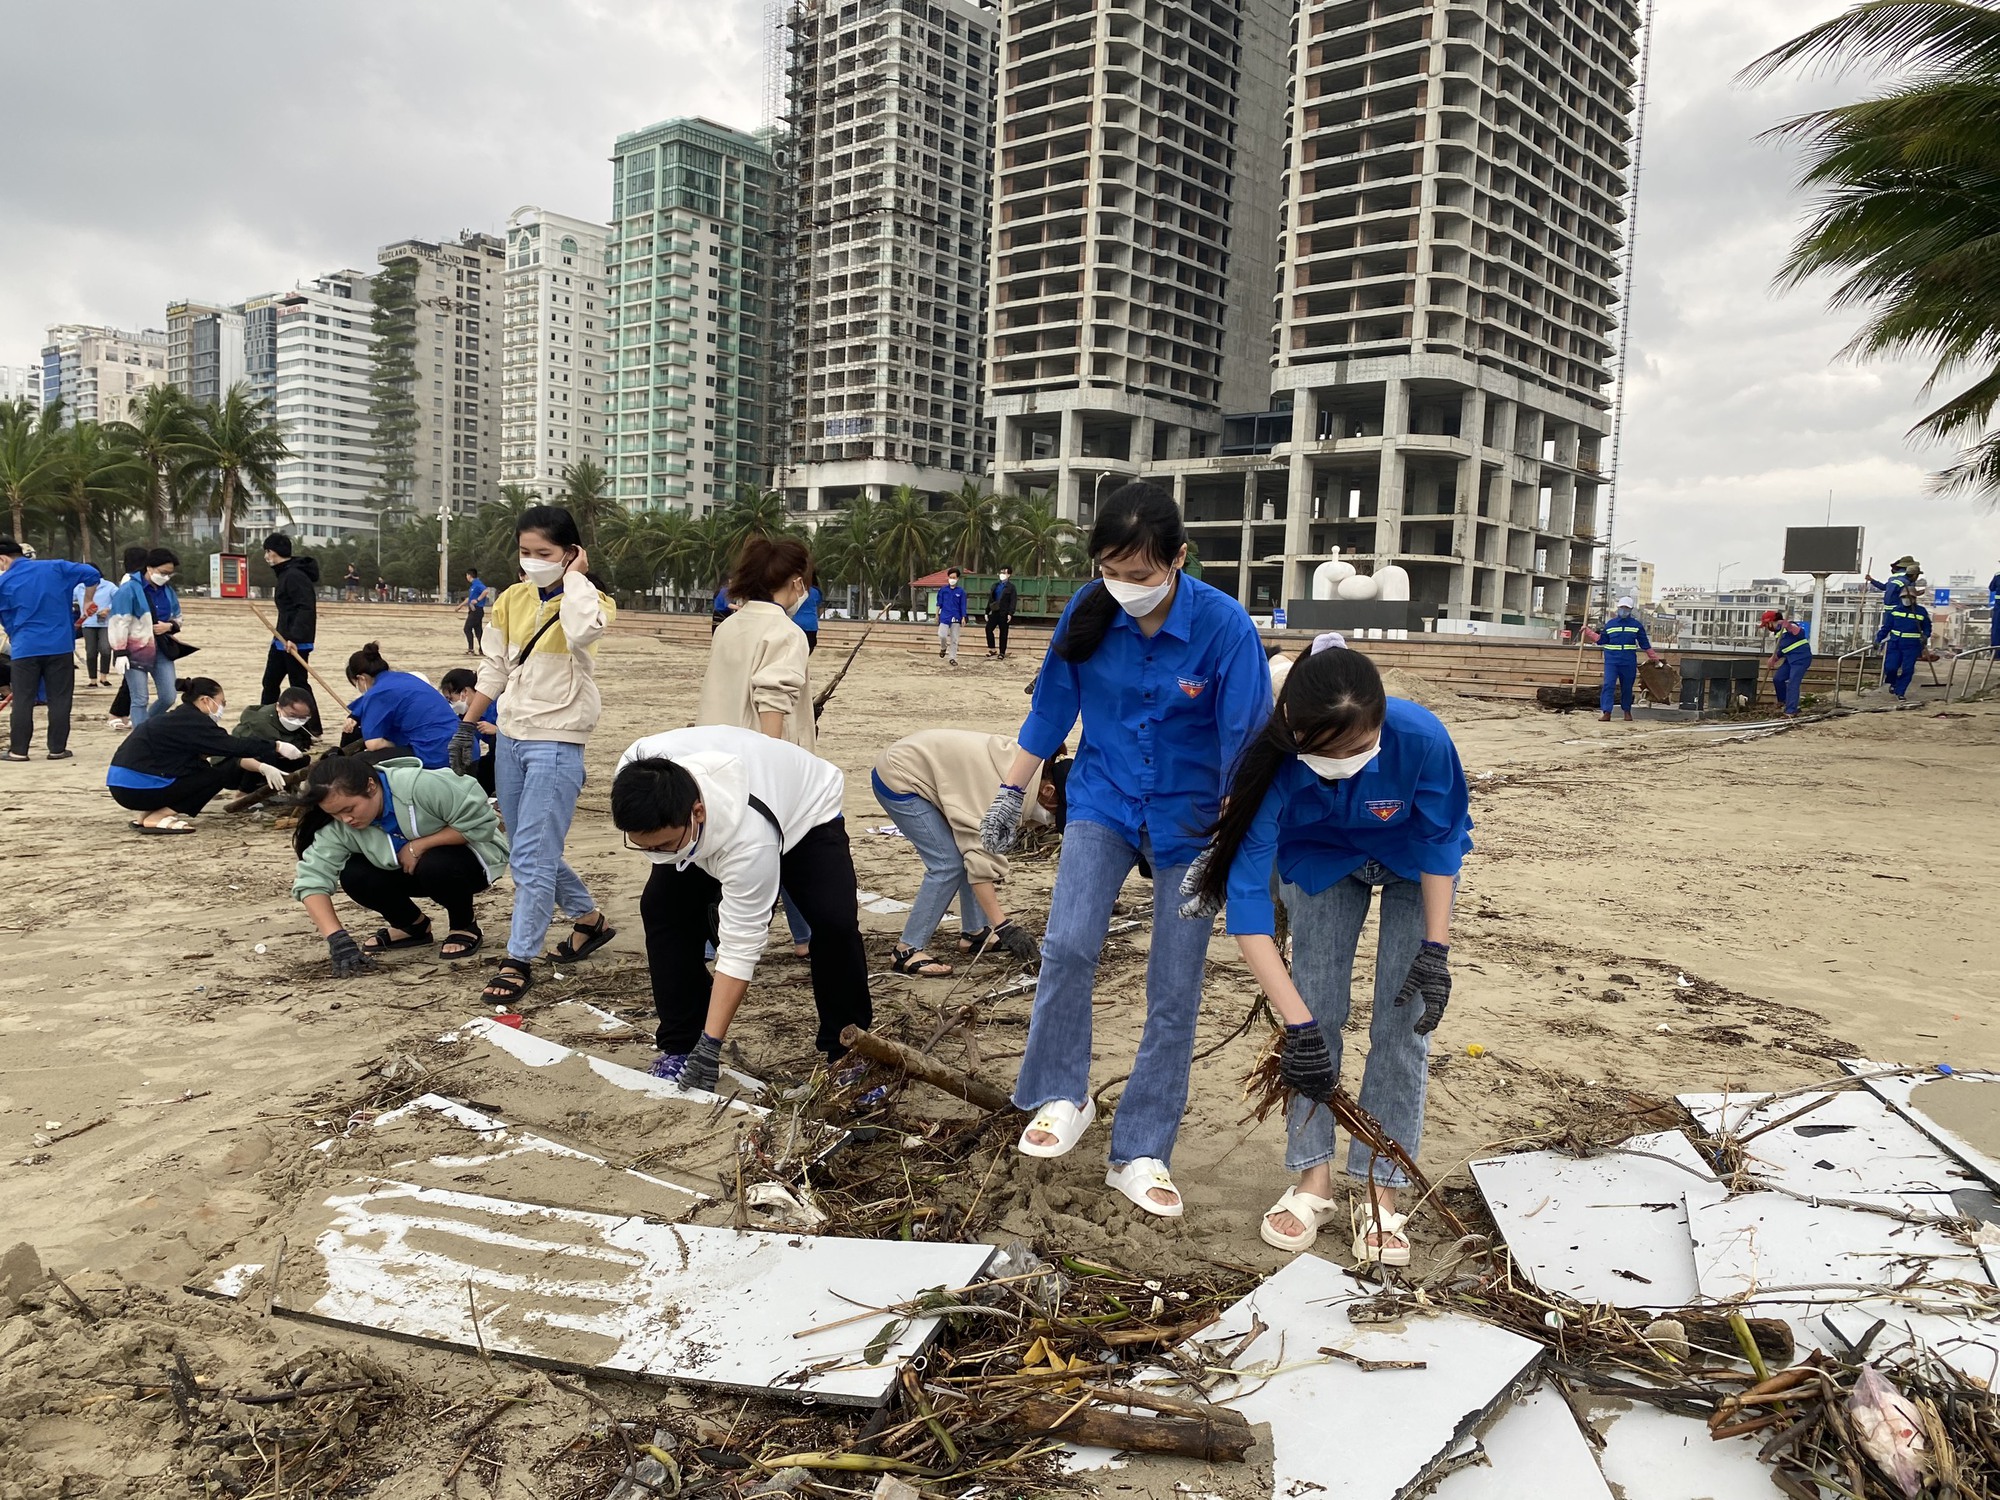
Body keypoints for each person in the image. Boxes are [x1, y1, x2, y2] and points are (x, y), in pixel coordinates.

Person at [980, 482, 1270, 1218]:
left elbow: (1246, 748)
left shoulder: (1224, 628)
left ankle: (1140, 1148)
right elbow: (1051, 707)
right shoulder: (1088, 610)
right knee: (1070, 943)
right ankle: (1061, 1094)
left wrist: (1229, 851)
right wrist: (1012, 794)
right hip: (1104, 799)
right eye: (1111, 569)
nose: (1125, 588)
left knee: (1173, 987)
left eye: (1141, 574)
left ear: (1178, 559)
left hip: (1192, 821)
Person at [1186, 636, 1472, 1263]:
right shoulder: (1270, 761)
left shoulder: (1420, 739)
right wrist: (1298, 1028)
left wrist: (1437, 950)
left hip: (1408, 866)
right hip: (1320, 862)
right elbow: (1250, 912)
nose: (1349, 760)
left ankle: (1382, 1186)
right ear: (1294, 728)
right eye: (1332, 752)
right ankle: (1312, 1175)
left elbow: (1439, 844)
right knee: (1317, 1010)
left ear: (1380, 723)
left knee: (1405, 1019)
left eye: (1361, 748)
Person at [611, 725, 871, 1089]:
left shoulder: (751, 841)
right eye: (645, 846)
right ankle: (681, 1044)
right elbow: (661, 843)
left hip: (805, 810)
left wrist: (712, 1044)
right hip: (721, 810)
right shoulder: (635, 770)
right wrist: (668, 850)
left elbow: (740, 948)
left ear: (696, 812)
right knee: (663, 911)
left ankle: (847, 1052)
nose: (656, 855)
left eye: (664, 845)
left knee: (833, 924)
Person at [448, 504, 617, 1004]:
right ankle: (589, 919)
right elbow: (495, 667)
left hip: (559, 738)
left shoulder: (591, 600)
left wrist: (577, 579)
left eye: (545, 553)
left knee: (532, 856)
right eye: (525, 552)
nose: (532, 561)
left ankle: (519, 956)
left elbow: (586, 631)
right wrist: (467, 725)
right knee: (527, 845)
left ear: (570, 553)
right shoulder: (510, 601)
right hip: (511, 735)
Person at [698, 534, 819, 955]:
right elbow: (773, 698)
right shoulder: (786, 632)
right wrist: (774, 766)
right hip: (760, 759)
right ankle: (721, 942)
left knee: (741, 850)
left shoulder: (731, 625)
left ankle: (804, 936)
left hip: (716, 753)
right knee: (780, 848)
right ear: (795, 581)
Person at [873, 727, 1064, 977]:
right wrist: (1004, 927)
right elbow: (980, 859)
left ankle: (975, 934)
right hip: (900, 776)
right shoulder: (998, 792)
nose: (1051, 819)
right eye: (1056, 811)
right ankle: (907, 950)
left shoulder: (1027, 772)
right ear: (1047, 791)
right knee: (947, 863)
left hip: (930, 770)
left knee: (962, 855)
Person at [290, 753, 508, 969]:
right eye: (335, 814)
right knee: (353, 873)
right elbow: (312, 879)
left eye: (349, 809)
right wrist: (338, 939)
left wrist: (418, 845)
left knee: (436, 863)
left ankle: (463, 924)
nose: (346, 820)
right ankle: (411, 926)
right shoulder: (339, 826)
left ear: (370, 786)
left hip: (468, 861)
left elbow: (482, 825)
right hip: (405, 870)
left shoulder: (423, 786)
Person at [105, 675, 302, 833]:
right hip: (136, 787)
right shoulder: (193, 721)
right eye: (221, 702)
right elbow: (233, 746)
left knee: (199, 767)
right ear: (205, 700)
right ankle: (159, 816)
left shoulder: (178, 717)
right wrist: (276, 746)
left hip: (122, 783)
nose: (222, 707)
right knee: (216, 775)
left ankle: (145, 817)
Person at [0, 537, 100, 761]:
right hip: (60, 645)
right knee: (60, 698)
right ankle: (57, 749)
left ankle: (18, 751)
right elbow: (92, 574)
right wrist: (87, 600)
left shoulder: (4, 581)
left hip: (25, 647)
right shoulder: (56, 567)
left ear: (3, 559)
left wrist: (14, 630)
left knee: (24, 699)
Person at [343, 642, 462, 768]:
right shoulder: (405, 678)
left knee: (359, 761)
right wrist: (354, 716)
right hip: (462, 744)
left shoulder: (376, 693)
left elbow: (374, 744)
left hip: (435, 752)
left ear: (361, 679)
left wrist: (394, 745)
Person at [108, 547, 183, 727]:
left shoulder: (168, 591)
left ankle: (145, 725)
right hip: (135, 651)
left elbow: (178, 616)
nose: (166, 577)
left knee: (168, 696)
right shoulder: (129, 590)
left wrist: (170, 626)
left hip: (162, 649)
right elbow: (119, 621)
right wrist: (120, 651)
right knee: (140, 698)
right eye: (163, 573)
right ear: (149, 568)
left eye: (169, 574)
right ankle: (140, 738)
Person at [260, 534, 322, 735]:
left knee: (299, 685)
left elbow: (305, 608)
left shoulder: (294, 575)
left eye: (267, 552)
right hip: (281, 639)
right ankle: (266, 722)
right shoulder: (286, 573)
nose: (265, 556)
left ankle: (312, 729)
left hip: (295, 641)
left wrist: (294, 638)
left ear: (273, 553)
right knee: (270, 682)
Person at [1584, 596, 1659, 722]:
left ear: (1631, 609)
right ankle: (1607, 712)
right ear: (1618, 608)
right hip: (1612, 661)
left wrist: (1654, 658)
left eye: (1626, 608)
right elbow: (1602, 640)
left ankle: (1627, 711)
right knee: (1608, 685)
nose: (1624, 610)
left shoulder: (1636, 625)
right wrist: (1589, 632)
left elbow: (1644, 644)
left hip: (1628, 661)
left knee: (1627, 687)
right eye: (1622, 607)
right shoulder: (1610, 624)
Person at [104, 546, 148, 729]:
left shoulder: (133, 579)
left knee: (133, 681)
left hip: (138, 636)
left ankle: (123, 713)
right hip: (129, 638)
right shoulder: (130, 581)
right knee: (130, 680)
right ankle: (117, 712)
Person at [440, 667, 498, 795]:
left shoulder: (496, 706)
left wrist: (497, 730)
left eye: (451, 699)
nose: (451, 704)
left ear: (465, 692)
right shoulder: (464, 716)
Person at [1875, 591, 1931, 706]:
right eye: (1904, 597)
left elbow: (1927, 627)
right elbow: (1886, 627)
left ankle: (1900, 692)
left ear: (1915, 599)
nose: (1906, 599)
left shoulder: (1921, 611)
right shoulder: (1895, 611)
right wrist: (1878, 639)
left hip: (1912, 646)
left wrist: (1925, 636)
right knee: (1890, 667)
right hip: (1895, 644)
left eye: (1909, 597)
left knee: (1908, 669)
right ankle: (1893, 683)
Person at [1760, 610, 1813, 717]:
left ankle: (1791, 710)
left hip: (1801, 658)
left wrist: (1789, 627)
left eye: (1766, 625)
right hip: (1790, 659)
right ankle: (1783, 702)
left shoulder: (1788, 625)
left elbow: (1801, 633)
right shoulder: (1778, 632)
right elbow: (1783, 648)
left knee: (1793, 683)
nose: (1766, 627)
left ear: (1770, 622)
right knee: (1778, 679)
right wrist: (1774, 658)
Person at [76, 574, 115, 687]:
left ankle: (104, 677)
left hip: (105, 623)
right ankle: (92, 679)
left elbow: (120, 598)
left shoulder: (109, 586)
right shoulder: (79, 587)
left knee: (105, 649)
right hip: (87, 623)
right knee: (91, 652)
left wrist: (109, 609)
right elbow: (67, 596)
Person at [936, 568, 968, 666]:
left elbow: (963, 605)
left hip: (956, 617)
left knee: (954, 639)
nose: (952, 579)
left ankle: (952, 658)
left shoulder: (961, 592)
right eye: (950, 577)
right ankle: (943, 647)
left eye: (954, 577)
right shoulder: (943, 590)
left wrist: (963, 617)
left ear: (957, 578)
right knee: (942, 635)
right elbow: (939, 603)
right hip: (945, 616)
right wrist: (936, 614)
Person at [985, 566, 1018, 660]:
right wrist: (987, 611)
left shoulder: (1011, 587)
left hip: (1004, 612)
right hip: (995, 611)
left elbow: (1013, 601)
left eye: (1005, 573)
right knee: (988, 628)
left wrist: (1010, 613)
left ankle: (1002, 652)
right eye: (1001, 572)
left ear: (1009, 575)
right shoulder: (995, 585)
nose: (1002, 574)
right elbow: (990, 599)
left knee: (1003, 633)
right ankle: (992, 648)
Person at [459, 570, 495, 656]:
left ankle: (471, 649)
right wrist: (460, 606)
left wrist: (478, 600)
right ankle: (482, 649)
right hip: (473, 610)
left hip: (476, 610)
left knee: (467, 628)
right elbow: (470, 599)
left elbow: (486, 591)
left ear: (469, 575)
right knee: (478, 631)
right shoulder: (473, 586)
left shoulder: (477, 584)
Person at [795, 582, 821, 653]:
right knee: (809, 647)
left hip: (796, 622)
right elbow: (818, 601)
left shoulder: (793, 590)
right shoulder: (815, 591)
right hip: (811, 624)